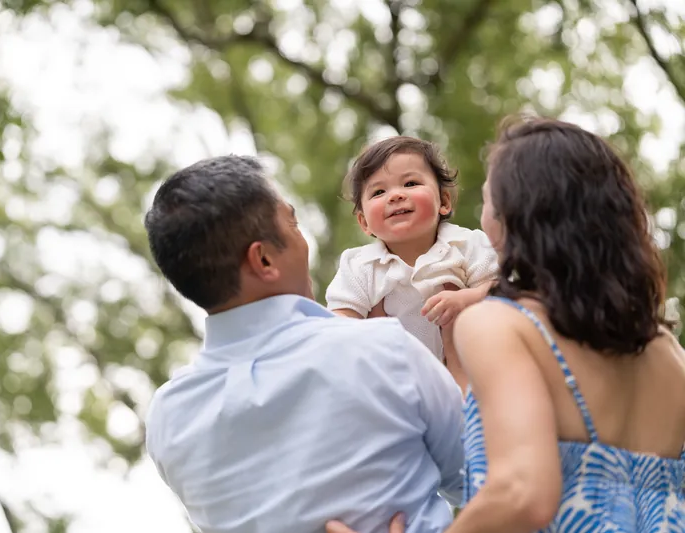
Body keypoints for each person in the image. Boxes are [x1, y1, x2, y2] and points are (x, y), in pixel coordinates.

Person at [326, 116, 685, 533]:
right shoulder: (667, 348)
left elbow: (523, 492)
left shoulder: (498, 325)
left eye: (488, 199)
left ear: (518, 213)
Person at [143, 155, 465, 533]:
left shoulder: (169, 418)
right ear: (264, 259)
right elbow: (489, 477)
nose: (302, 238)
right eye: (292, 223)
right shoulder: (380, 350)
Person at [325, 137, 498, 377]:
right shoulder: (360, 266)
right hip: (395, 385)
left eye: (410, 183)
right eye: (379, 192)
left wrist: (468, 298)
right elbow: (340, 320)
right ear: (364, 222)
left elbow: (502, 289)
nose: (395, 196)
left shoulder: (466, 244)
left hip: (471, 374)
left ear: (444, 202)